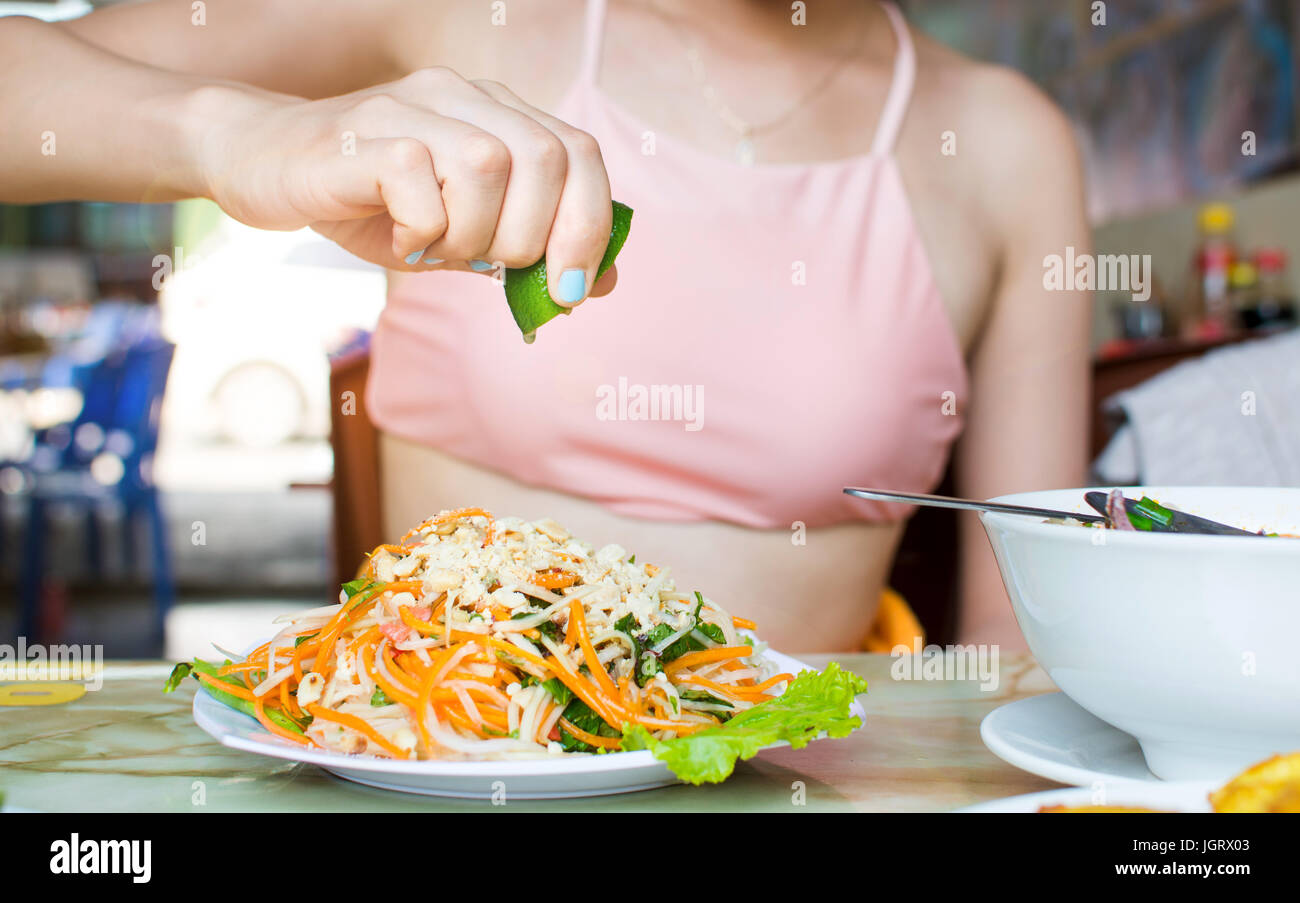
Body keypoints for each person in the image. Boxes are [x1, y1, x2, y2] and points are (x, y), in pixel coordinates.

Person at [0, 0, 1090, 651]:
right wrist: (234, 135)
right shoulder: (464, 13)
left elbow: (1028, 653)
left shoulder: (1003, 140)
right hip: (425, 777)